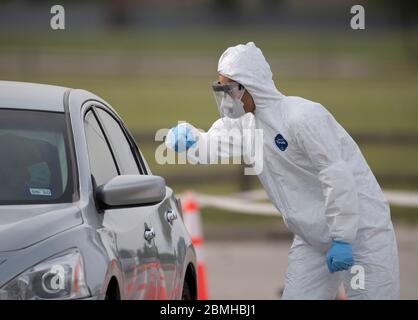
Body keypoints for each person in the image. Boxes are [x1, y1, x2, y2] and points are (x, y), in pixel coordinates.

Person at [166, 42, 400, 299]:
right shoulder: (245, 125)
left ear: (250, 85)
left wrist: (343, 237)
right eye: (221, 90)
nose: (225, 99)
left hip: (361, 232)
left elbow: (336, 175)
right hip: (314, 238)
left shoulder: (302, 117)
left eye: (229, 89)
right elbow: (211, 145)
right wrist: (190, 139)